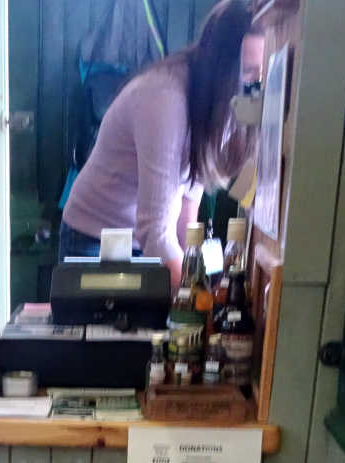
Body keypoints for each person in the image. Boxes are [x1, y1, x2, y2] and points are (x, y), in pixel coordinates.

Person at [59, 0, 259, 288]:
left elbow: (186, 219)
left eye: (259, 73)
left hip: (148, 240)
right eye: (248, 71)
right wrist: (201, 301)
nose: (253, 85)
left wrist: (202, 276)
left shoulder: (216, 102)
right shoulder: (163, 97)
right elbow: (155, 230)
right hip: (94, 238)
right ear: (221, 66)